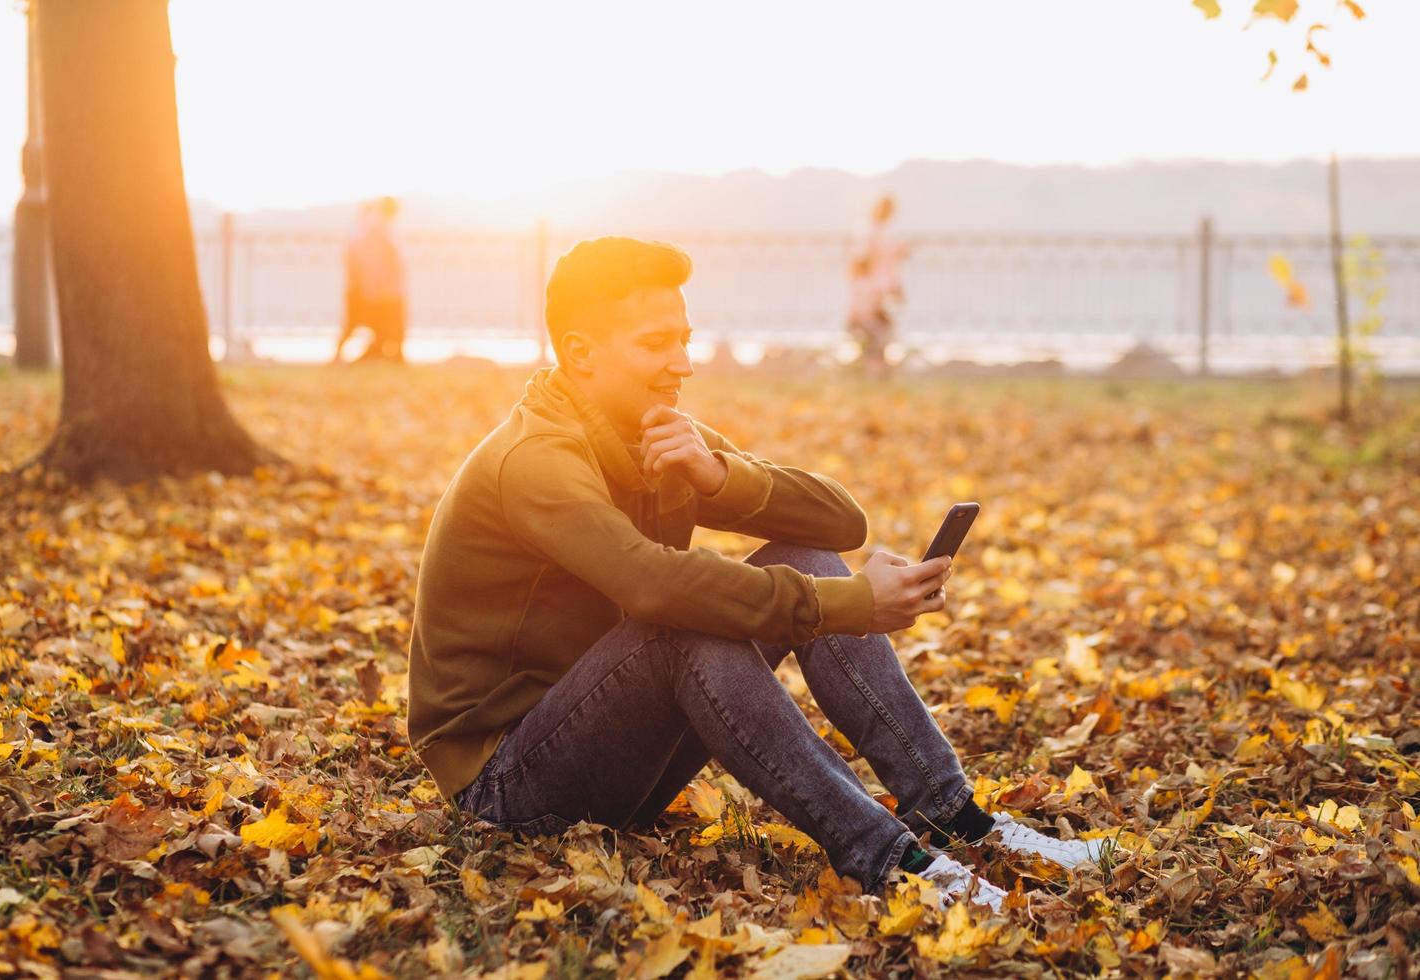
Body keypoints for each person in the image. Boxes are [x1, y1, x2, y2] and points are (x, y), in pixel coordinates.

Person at [406, 237, 1106, 906]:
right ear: (582, 354)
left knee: (800, 560)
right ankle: (893, 862)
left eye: (683, 338)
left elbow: (840, 526)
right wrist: (854, 605)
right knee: (676, 624)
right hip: (505, 786)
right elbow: (650, 585)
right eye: (656, 343)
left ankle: (955, 816)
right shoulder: (533, 460)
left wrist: (717, 475)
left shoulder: (652, 429)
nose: (682, 362)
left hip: (614, 757)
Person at [333, 196, 406, 363]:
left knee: (379, 324)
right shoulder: (374, 230)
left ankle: (385, 355)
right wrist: (372, 286)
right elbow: (371, 261)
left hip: (378, 287)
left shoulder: (372, 229)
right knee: (370, 323)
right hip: (377, 288)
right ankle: (388, 356)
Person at [847, 194, 906, 379]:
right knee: (875, 330)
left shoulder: (878, 232)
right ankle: (870, 370)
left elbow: (884, 263)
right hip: (869, 291)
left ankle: (873, 370)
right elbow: (860, 262)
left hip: (877, 291)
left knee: (878, 331)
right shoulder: (868, 232)